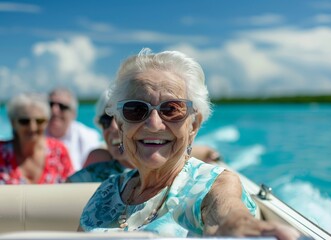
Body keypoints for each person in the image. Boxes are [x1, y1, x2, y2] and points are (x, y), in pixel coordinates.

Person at [78, 49, 300, 239]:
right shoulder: (106, 191)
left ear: (193, 125)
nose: (154, 124)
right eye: (136, 110)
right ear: (120, 124)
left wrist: (238, 225)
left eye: (171, 109)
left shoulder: (211, 185)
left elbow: (226, 211)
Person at [67, 91, 221, 182]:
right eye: (106, 120)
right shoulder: (97, 164)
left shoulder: (182, 164)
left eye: (130, 114)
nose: (115, 126)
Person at [0, 92, 74, 184]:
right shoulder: (1, 153)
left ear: (47, 121)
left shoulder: (59, 152)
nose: (32, 127)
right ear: (12, 123)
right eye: (24, 121)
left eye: (39, 121)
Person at [46, 87, 102, 170]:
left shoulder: (88, 136)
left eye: (62, 107)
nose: (54, 111)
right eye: (51, 105)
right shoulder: (35, 135)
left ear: (73, 113)